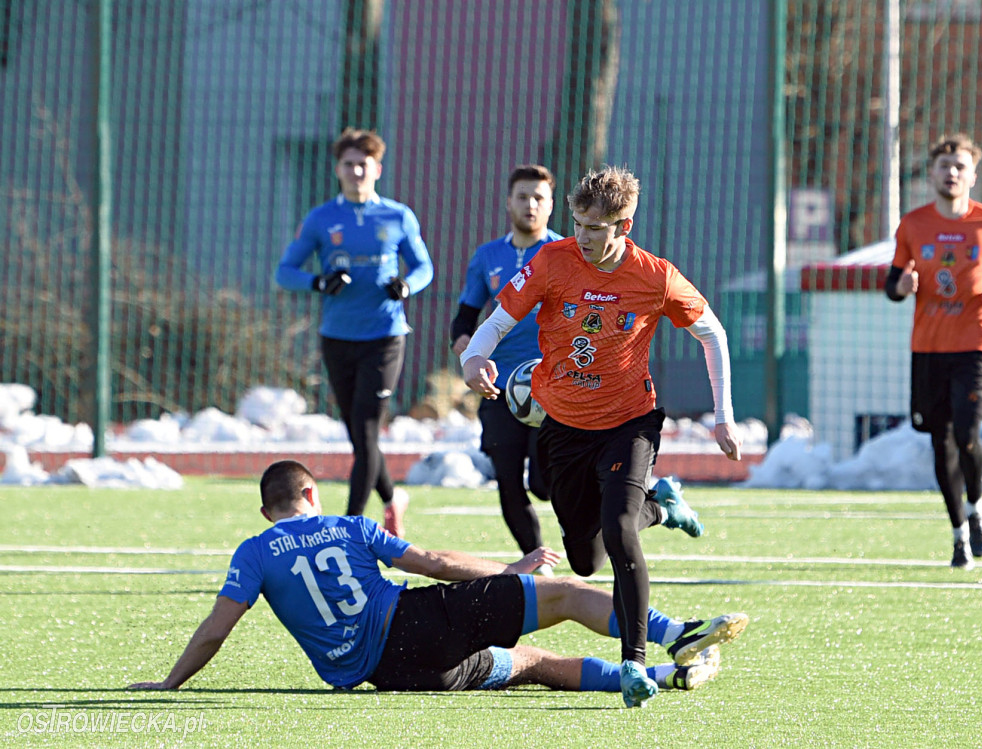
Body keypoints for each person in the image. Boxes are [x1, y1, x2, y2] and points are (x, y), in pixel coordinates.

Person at [460, 166, 743, 707]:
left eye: (596, 228)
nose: (583, 237)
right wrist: (476, 356)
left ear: (624, 225)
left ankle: (635, 663)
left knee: (618, 532)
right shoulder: (551, 260)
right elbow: (498, 319)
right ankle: (661, 506)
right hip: (563, 426)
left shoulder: (654, 276)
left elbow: (714, 334)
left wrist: (723, 414)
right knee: (584, 559)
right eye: (578, 224)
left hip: (629, 423)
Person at [127, 460, 749, 703]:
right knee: (562, 597)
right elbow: (435, 563)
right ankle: (673, 634)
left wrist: (169, 680)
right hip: (420, 624)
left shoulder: (254, 551)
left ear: (267, 511)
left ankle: (667, 677)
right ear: (310, 494)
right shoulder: (348, 525)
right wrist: (507, 571)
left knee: (531, 663)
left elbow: (215, 630)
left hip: (392, 674)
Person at [275, 128, 434, 538]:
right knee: (359, 435)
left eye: (363, 164)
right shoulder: (322, 218)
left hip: (384, 336)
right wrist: (319, 283)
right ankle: (392, 498)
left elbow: (424, 267)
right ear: (337, 170)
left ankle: (349, 526)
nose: (356, 171)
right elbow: (285, 272)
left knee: (365, 431)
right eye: (348, 164)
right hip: (338, 338)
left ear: (377, 169)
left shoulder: (397, 215)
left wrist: (406, 286)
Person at [885, 132, 982, 571]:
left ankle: (978, 506)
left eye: (960, 166)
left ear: (973, 175)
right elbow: (892, 282)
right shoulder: (913, 225)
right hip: (928, 348)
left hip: (977, 345)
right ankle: (959, 533)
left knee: (966, 433)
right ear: (932, 174)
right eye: (945, 166)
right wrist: (901, 287)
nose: (952, 173)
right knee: (940, 441)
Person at [450, 165, 563, 558]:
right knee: (507, 479)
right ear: (508, 202)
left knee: (545, 485)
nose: (530, 205)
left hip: (552, 384)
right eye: (522, 197)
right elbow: (465, 316)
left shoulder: (564, 254)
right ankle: (537, 558)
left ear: (551, 206)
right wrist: (464, 343)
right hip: (500, 386)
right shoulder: (487, 257)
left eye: (538, 198)